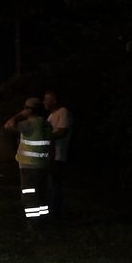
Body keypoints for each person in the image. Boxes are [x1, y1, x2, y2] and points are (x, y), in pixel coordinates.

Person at [4, 97, 53, 225]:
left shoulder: (28, 125)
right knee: (42, 193)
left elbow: (8, 125)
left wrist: (20, 114)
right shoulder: (47, 124)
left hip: (29, 165)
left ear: (28, 110)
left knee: (30, 194)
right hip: (43, 164)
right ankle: (43, 220)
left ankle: (33, 223)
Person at [44, 89, 73, 219]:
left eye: (46, 99)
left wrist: (45, 137)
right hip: (50, 156)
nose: (44, 101)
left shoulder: (63, 112)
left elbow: (63, 132)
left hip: (58, 156)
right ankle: (52, 211)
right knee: (50, 185)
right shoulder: (50, 116)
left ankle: (56, 214)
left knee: (55, 185)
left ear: (54, 100)